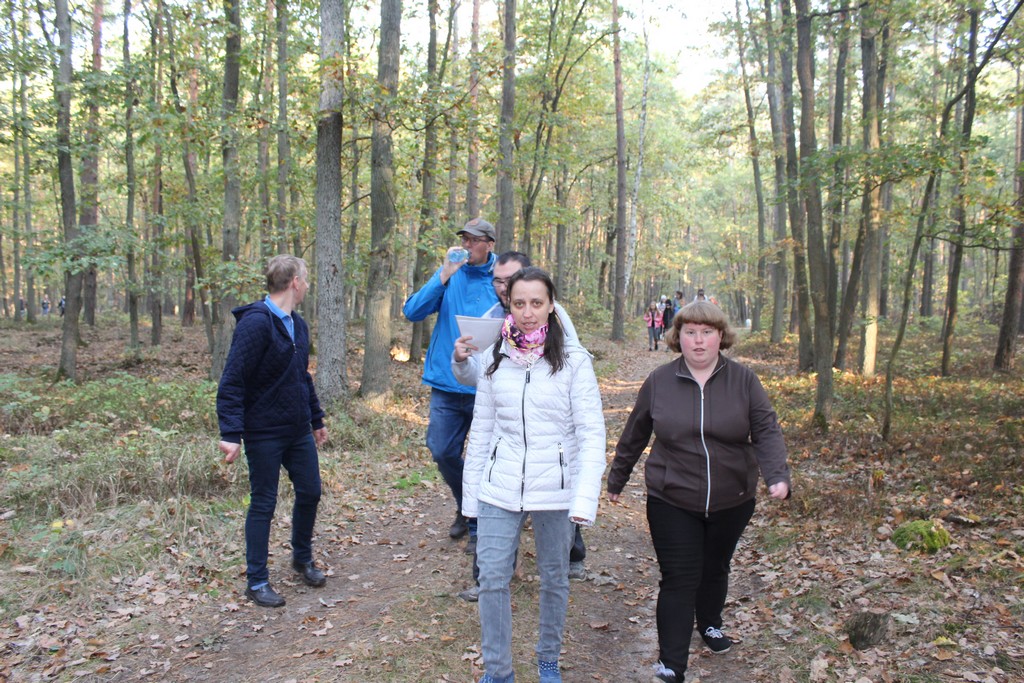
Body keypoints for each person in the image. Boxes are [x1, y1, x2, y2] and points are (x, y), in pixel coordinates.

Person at [606, 300, 791, 683]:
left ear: (721, 336)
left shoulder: (744, 381)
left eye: (707, 332)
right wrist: (617, 479)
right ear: (679, 337)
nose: (699, 340)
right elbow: (635, 432)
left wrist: (777, 475)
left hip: (733, 498)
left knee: (715, 565)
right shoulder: (660, 381)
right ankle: (671, 664)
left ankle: (709, 622)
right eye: (690, 332)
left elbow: (766, 430)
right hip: (672, 497)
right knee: (678, 577)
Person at [463, 267, 606, 683]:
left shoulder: (574, 361)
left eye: (536, 303)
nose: (527, 313)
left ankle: (548, 659)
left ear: (551, 306)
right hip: (499, 485)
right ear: (508, 305)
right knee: (491, 577)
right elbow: (482, 429)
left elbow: (591, 434)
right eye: (519, 303)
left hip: (555, 489)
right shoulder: (494, 357)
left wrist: (583, 499)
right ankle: (498, 671)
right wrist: (471, 498)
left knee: (555, 577)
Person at [451, 251, 588, 601]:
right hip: (507, 451)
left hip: (552, 458)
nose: (502, 287)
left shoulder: (557, 321)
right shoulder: (490, 319)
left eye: (508, 280)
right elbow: (482, 376)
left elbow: (572, 369)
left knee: (556, 533)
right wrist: (461, 361)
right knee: (499, 516)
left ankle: (572, 553)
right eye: (498, 281)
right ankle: (488, 580)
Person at [216, 255, 329, 608]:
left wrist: (316, 419)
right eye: (305, 279)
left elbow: (302, 377)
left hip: (297, 428)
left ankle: (301, 558)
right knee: (264, 502)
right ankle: (257, 581)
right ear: (294, 281)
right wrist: (231, 433)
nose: (307, 285)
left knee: (311, 491)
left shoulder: (299, 324)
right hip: (263, 431)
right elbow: (233, 379)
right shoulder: (255, 323)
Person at [403, 218, 500, 555]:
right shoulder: (449, 274)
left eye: (474, 240)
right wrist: (444, 273)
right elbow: (412, 311)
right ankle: (465, 505)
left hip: (487, 383)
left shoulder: (502, 277)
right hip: (447, 382)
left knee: (484, 459)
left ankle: (478, 527)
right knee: (442, 451)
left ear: (489, 244)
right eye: (464, 239)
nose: (467, 245)